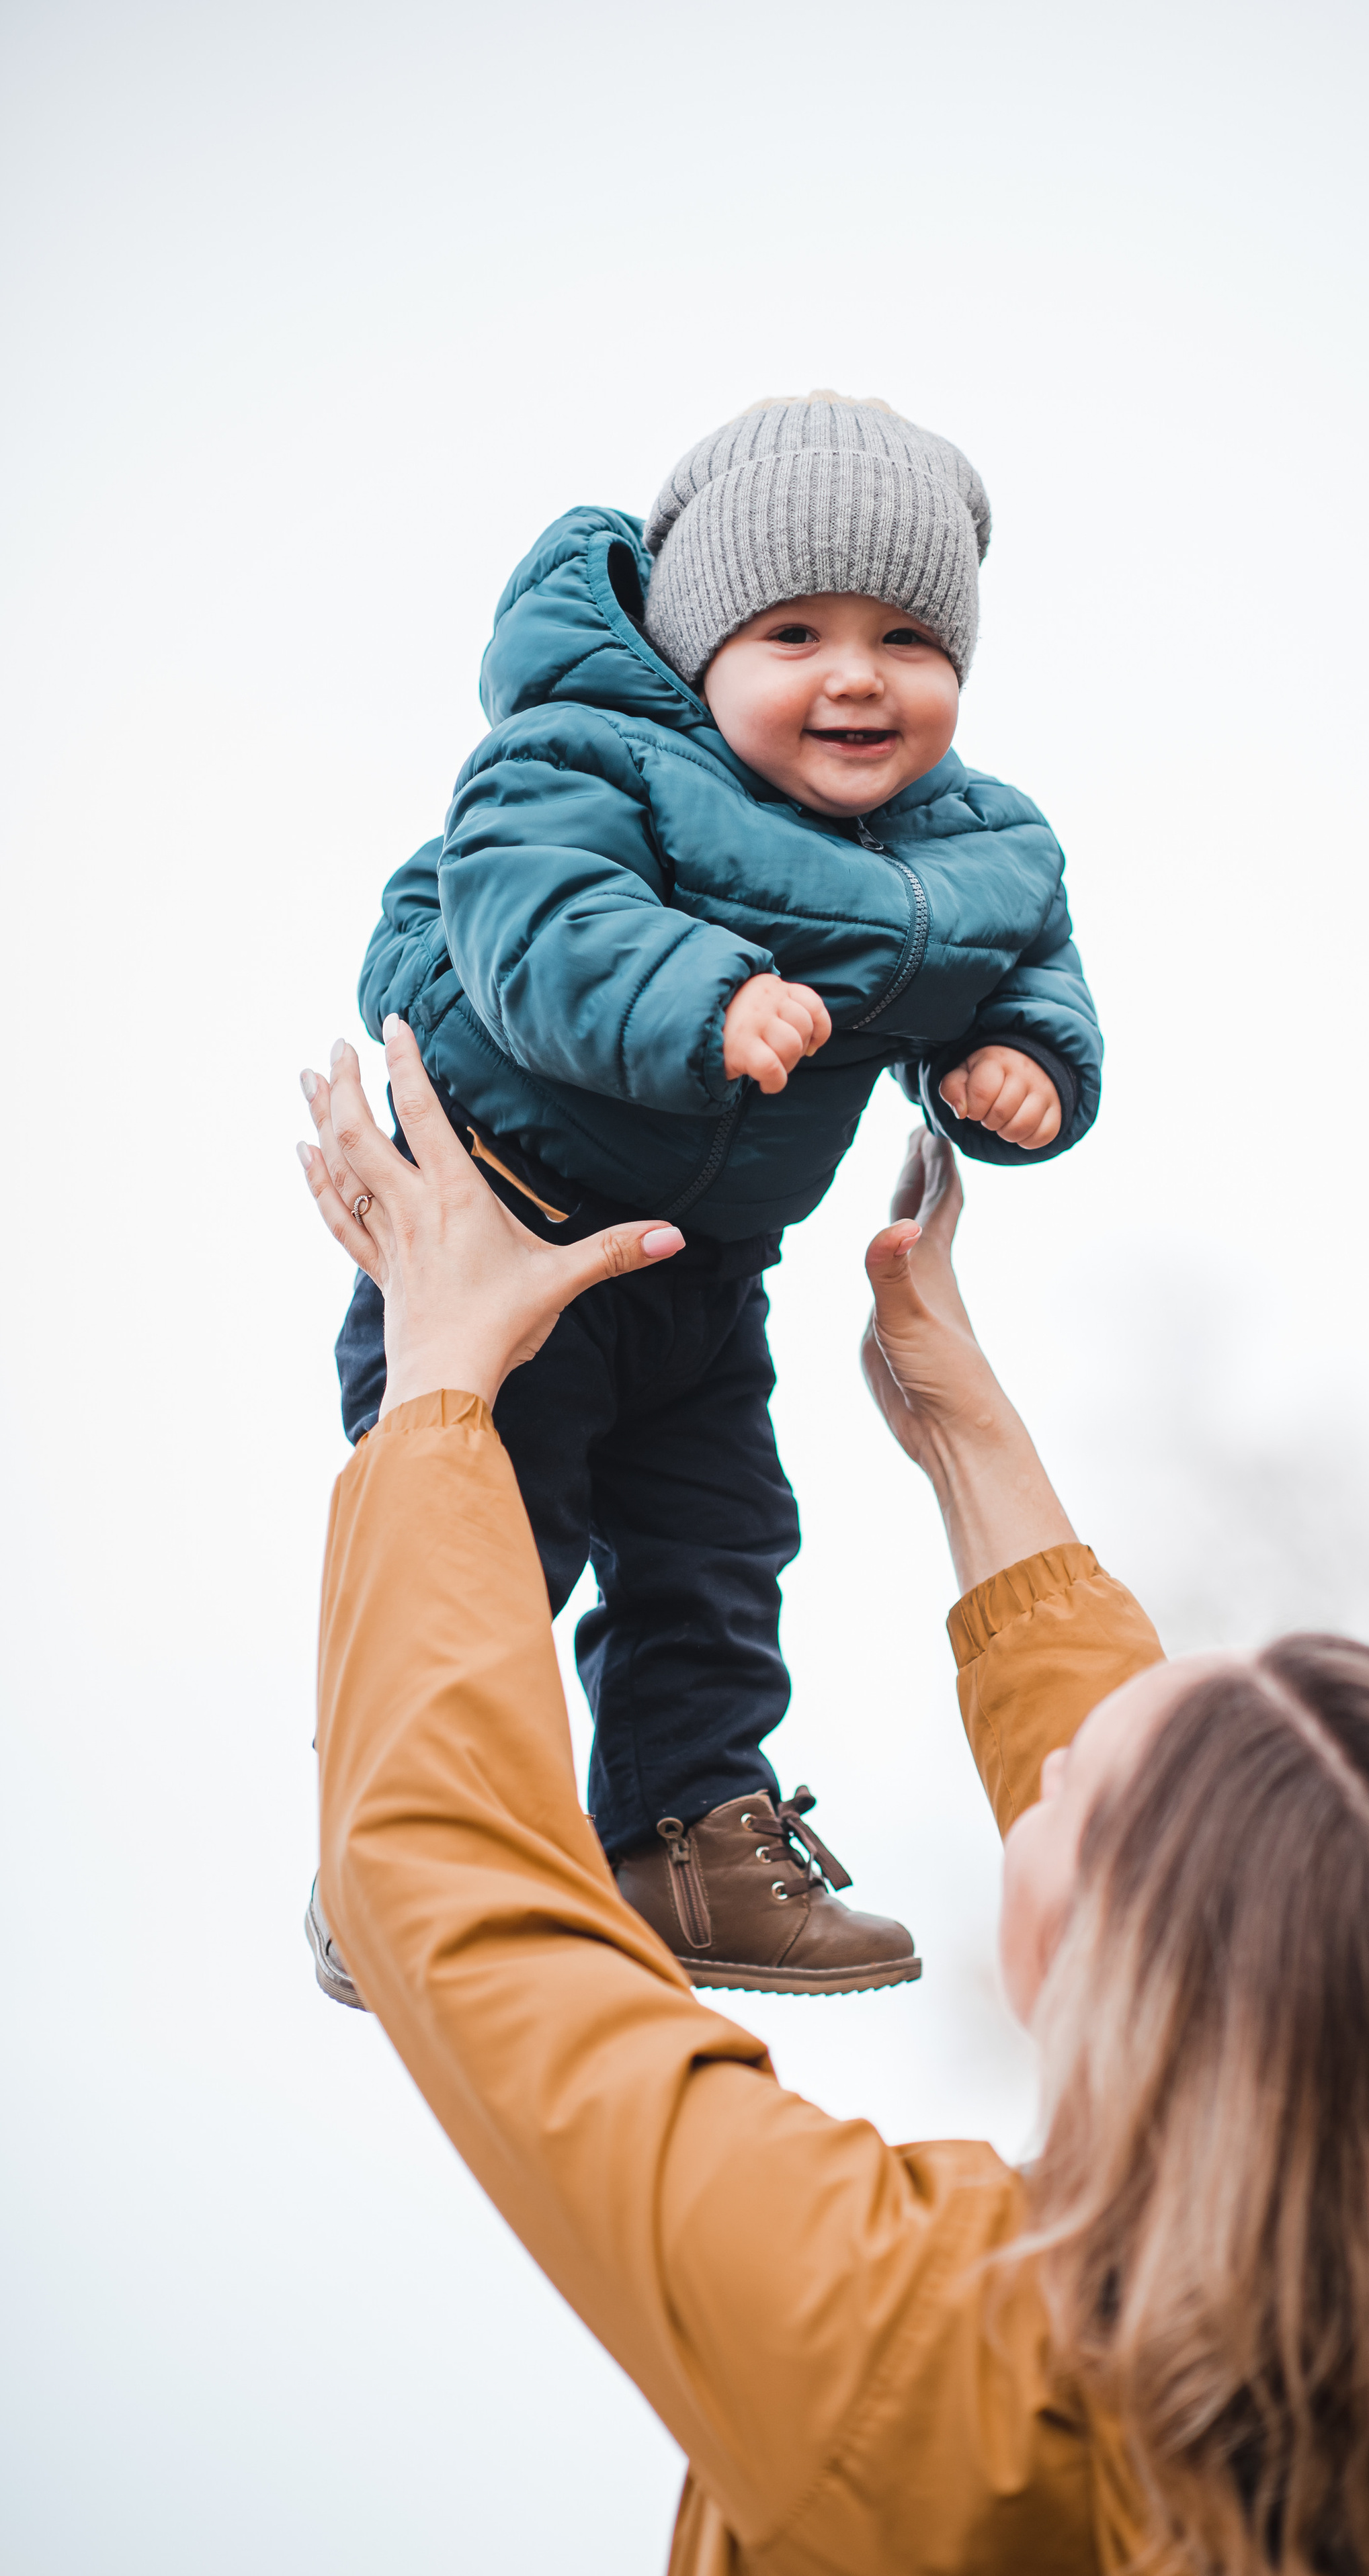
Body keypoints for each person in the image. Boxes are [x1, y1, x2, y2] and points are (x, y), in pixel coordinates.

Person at [300, 1019, 1369, 2576]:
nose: (1036, 1775)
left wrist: (437, 1385)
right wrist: (964, 1428)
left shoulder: (934, 2373)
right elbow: (1218, 1865)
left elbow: (481, 1927)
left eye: (1068, 1796)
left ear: (1130, 1983)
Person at [324, 392, 1103, 1999]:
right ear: (693, 654)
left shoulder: (973, 846)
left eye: (906, 636)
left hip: (699, 1272)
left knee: (722, 1547)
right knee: (485, 1534)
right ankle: (401, 1835)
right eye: (792, 630)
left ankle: (688, 1835)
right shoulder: (585, 754)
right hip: (499, 1235)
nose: (855, 674)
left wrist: (1021, 1060)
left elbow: (1024, 960)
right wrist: (701, 996)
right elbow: (534, 917)